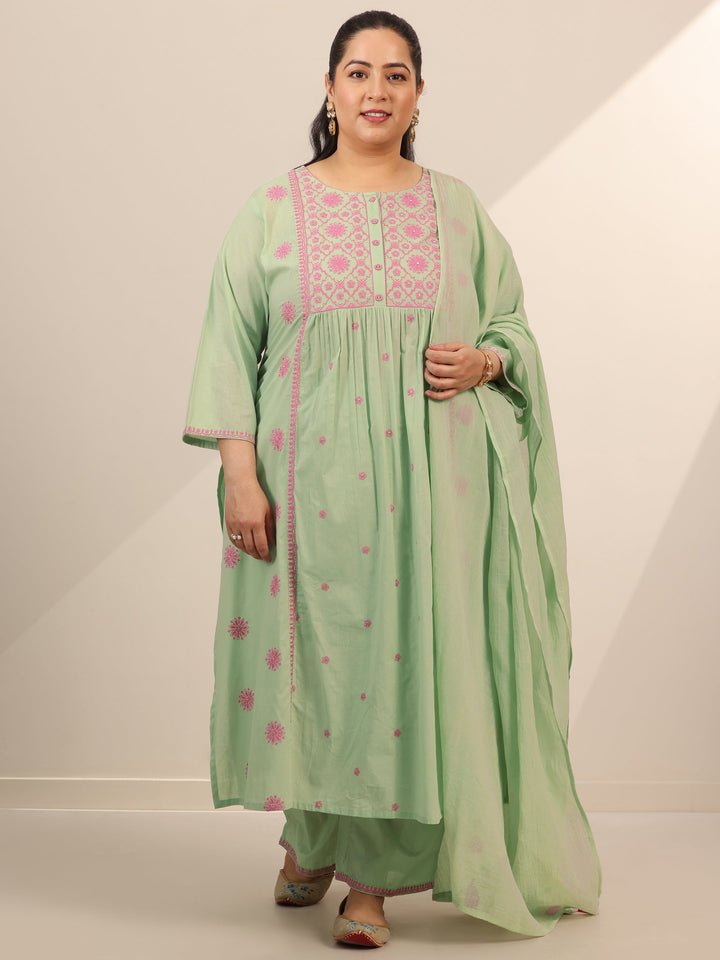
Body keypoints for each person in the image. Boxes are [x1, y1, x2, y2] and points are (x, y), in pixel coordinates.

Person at [182, 9, 602, 947]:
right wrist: (241, 476)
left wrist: (487, 361)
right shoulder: (271, 209)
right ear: (330, 90)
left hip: (430, 494)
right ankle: (310, 838)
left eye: (397, 74)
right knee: (314, 666)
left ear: (418, 96)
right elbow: (228, 343)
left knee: (402, 676)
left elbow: (510, 322)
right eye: (360, 72)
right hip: (304, 489)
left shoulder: (456, 209)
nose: (377, 90)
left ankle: (369, 882)